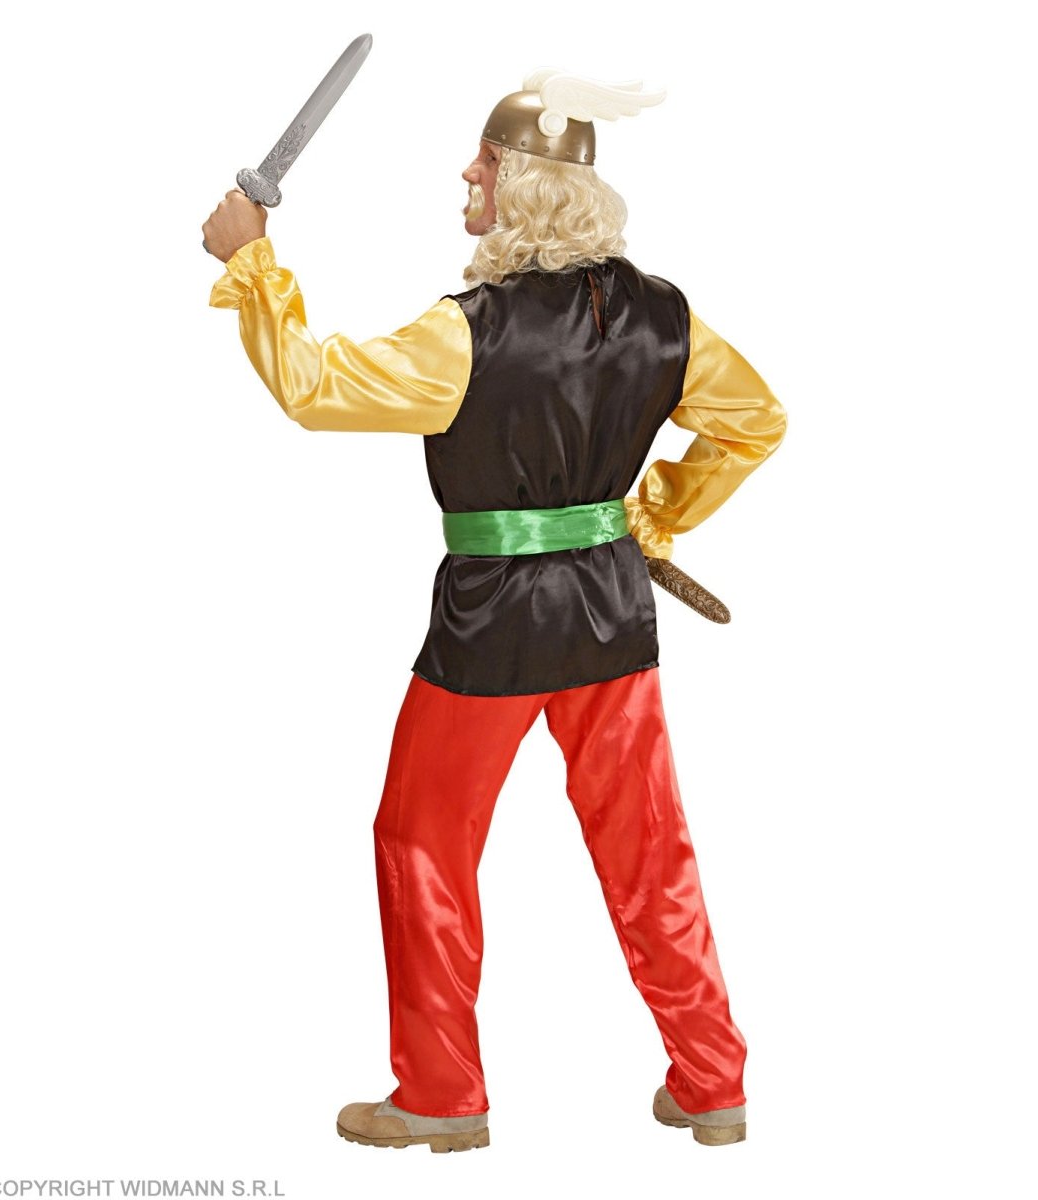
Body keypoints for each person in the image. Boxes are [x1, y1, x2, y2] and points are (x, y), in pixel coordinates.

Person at [202, 68, 786, 1153]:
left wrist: (251, 263)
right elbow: (754, 420)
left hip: (492, 626)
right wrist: (653, 517)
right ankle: (713, 1084)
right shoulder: (665, 316)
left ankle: (441, 1093)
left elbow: (315, 388)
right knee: (648, 849)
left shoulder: (463, 334)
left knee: (422, 841)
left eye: (485, 159)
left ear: (525, 184)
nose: (466, 173)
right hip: (611, 612)